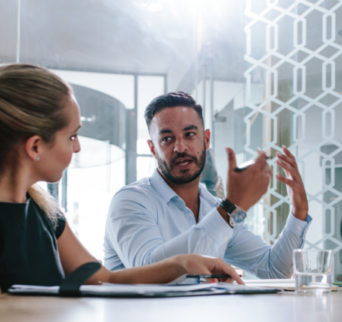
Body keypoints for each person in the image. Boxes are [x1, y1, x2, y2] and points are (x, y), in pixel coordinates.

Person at [0, 64, 241, 293]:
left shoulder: (42, 213)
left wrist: (182, 263)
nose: (78, 148)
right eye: (72, 136)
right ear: (35, 146)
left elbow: (105, 279)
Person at [103, 92, 311, 278]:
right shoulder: (131, 201)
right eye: (167, 139)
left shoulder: (214, 208)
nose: (180, 147)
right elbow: (147, 271)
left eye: (190, 135)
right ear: (153, 148)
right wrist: (232, 207)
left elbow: (273, 270)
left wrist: (298, 213)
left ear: (206, 139)